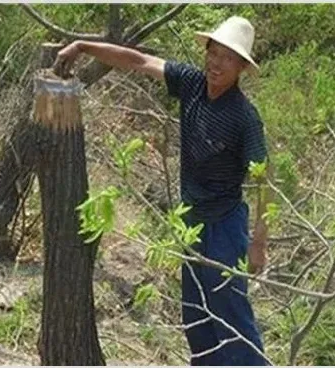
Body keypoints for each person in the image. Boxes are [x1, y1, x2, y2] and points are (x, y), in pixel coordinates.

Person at [55, 15, 271, 366]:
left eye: (227, 58)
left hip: (225, 229)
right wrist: (82, 46)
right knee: (197, 317)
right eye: (213, 53)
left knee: (232, 319)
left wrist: (258, 242)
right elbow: (139, 61)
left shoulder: (244, 117)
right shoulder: (191, 83)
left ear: (242, 67)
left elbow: (265, 180)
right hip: (191, 225)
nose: (216, 64)